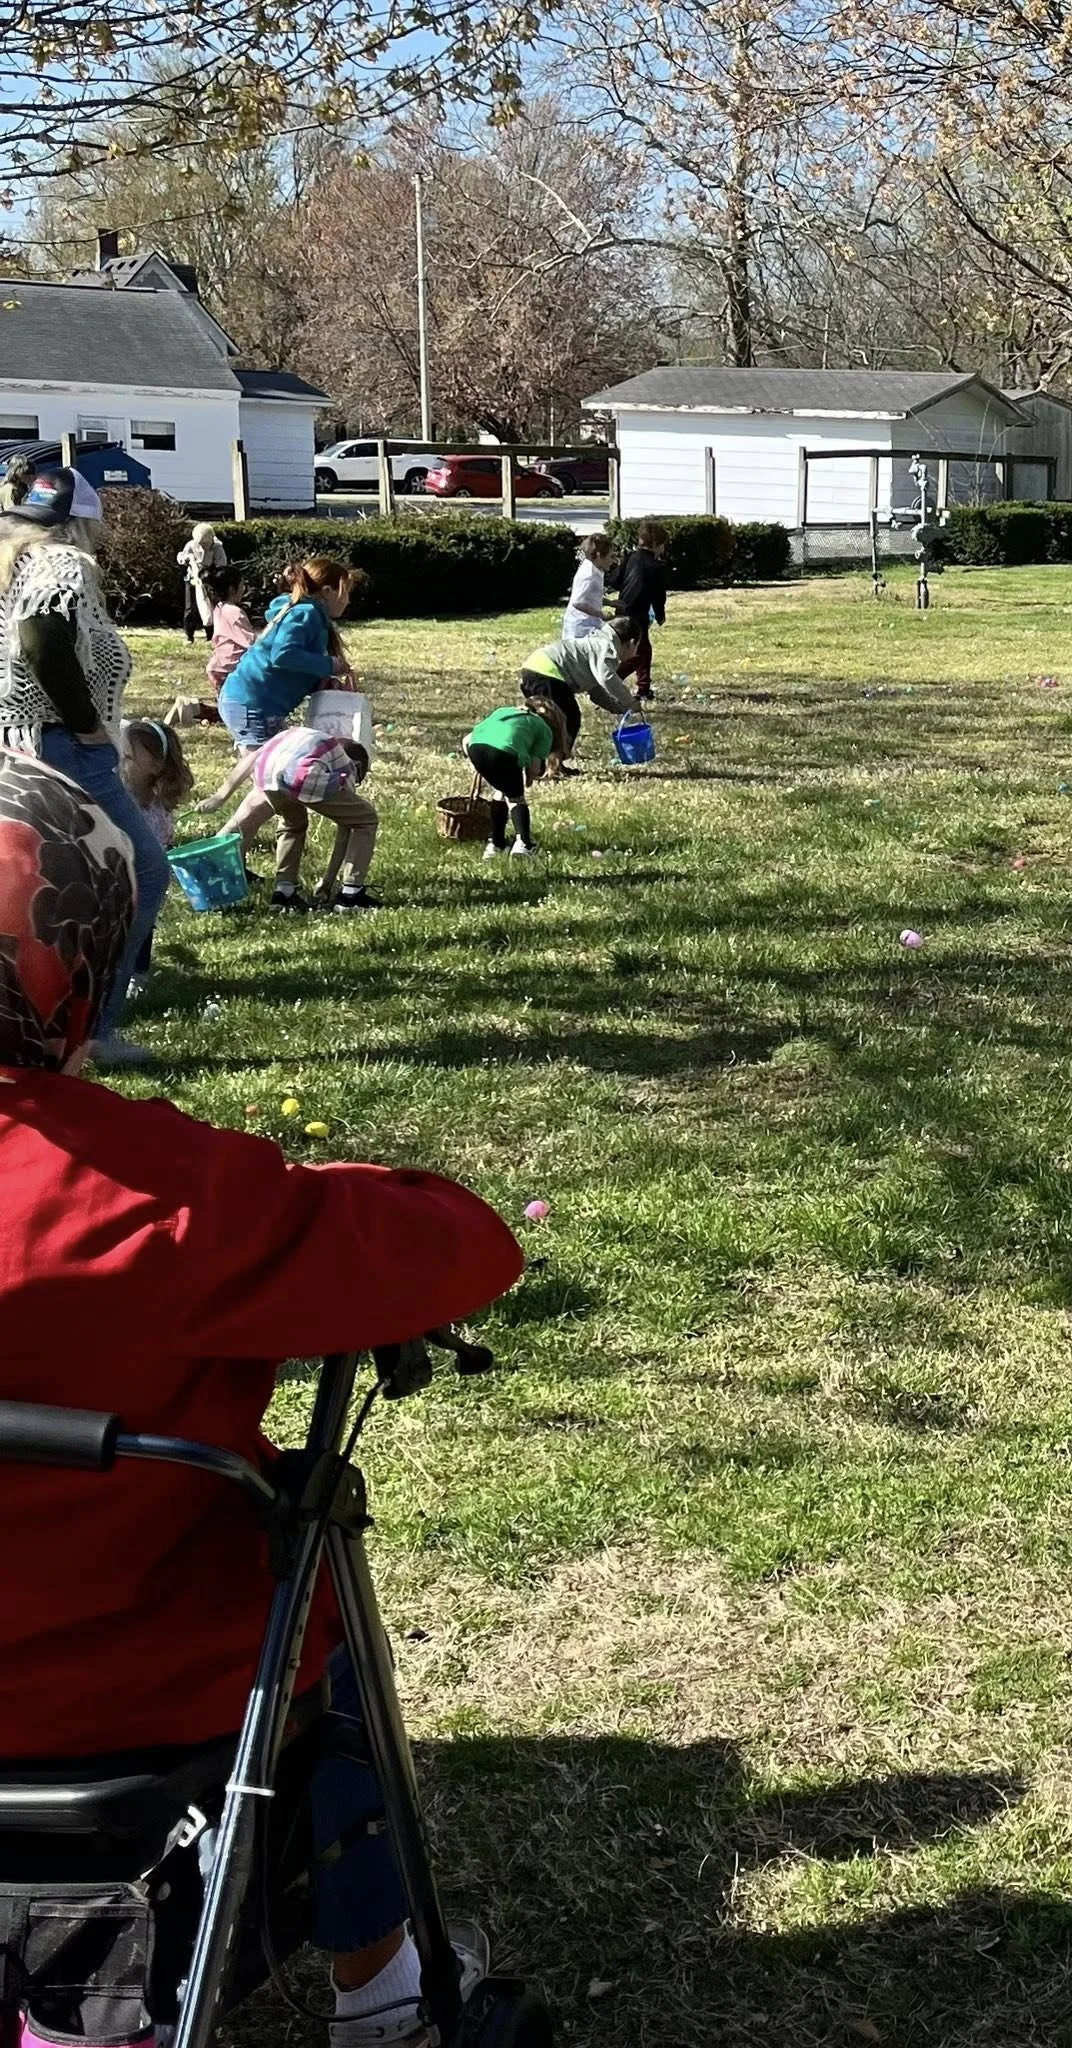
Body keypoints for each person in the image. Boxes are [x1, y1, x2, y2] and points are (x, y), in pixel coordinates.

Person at [0, 749, 523, 2039]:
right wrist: (322, 1179)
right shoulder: (151, 1195)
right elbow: (463, 1243)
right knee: (309, 1580)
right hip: (141, 1697)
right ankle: (386, 1988)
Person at [0, 459, 165, 1065]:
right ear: (82, 526)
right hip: (66, 747)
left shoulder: (13, 563)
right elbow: (42, 639)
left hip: (21, 742)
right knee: (138, 874)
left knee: (38, 888)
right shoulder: (62, 565)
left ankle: (37, 1019)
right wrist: (86, 724)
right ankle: (91, 1029)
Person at [199, 727, 381, 912]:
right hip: (303, 775)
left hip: (268, 772)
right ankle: (351, 896)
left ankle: (284, 893)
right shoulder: (346, 765)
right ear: (357, 766)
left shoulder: (295, 734)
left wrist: (220, 796)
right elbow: (346, 830)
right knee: (365, 820)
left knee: (293, 823)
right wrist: (328, 882)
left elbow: (252, 759)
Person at [219, 556, 359, 753]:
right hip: (252, 704)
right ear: (327, 592)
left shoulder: (306, 613)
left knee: (272, 768)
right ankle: (229, 786)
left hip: (251, 702)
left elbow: (296, 666)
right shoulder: (305, 614)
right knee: (270, 773)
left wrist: (325, 683)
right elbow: (282, 655)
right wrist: (330, 665)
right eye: (346, 592)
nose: (348, 600)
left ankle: (230, 786)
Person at [117, 718, 195, 992]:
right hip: (117, 875)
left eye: (129, 753)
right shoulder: (118, 794)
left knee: (143, 926)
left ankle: (138, 975)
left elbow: (161, 843)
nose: (121, 755)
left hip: (144, 877)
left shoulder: (158, 806)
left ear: (156, 765)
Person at [464, 697, 568, 858]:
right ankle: (524, 844)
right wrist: (529, 779)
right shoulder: (544, 729)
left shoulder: (505, 711)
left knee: (501, 790)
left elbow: (468, 739)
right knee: (516, 799)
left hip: (475, 747)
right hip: (504, 753)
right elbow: (534, 766)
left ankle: (495, 844)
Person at [517, 630, 639, 751]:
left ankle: (547, 761)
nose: (636, 652)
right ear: (631, 643)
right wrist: (630, 703)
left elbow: (595, 691)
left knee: (548, 721)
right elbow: (607, 678)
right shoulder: (606, 649)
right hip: (546, 672)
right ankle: (553, 763)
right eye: (637, 646)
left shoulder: (597, 643)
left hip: (533, 668)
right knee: (567, 719)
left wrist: (618, 708)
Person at [611, 523, 669, 702]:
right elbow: (659, 595)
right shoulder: (657, 567)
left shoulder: (630, 557)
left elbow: (615, 581)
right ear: (658, 545)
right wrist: (660, 615)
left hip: (621, 610)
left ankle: (643, 687)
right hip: (638, 614)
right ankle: (611, 681)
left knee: (632, 649)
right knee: (640, 653)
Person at [204, 562, 258, 696]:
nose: (243, 589)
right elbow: (251, 643)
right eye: (242, 585)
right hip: (229, 668)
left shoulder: (219, 607)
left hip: (218, 666)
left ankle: (194, 709)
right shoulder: (234, 612)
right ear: (232, 589)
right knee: (237, 703)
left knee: (226, 702)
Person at [176, 521, 228, 644]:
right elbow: (181, 557)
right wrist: (187, 560)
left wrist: (210, 575)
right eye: (199, 543)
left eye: (205, 543)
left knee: (210, 607)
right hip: (192, 578)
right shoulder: (190, 545)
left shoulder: (218, 548)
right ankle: (189, 635)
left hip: (209, 579)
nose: (202, 546)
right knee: (190, 607)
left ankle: (211, 635)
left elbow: (222, 566)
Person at [563, 533, 616, 641]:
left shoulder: (596, 570)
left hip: (587, 625)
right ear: (598, 555)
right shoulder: (589, 574)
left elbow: (590, 597)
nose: (613, 561)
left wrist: (611, 603)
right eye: (610, 556)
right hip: (579, 628)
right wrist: (601, 614)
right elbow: (578, 602)